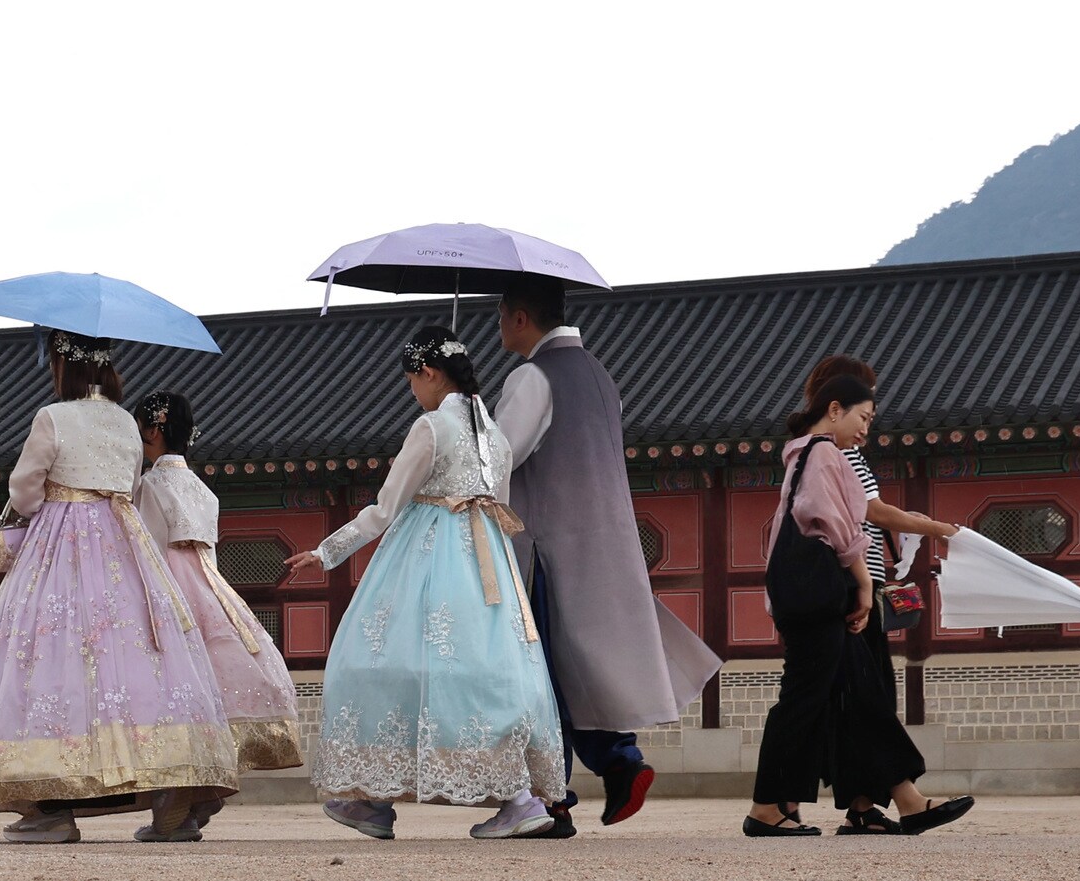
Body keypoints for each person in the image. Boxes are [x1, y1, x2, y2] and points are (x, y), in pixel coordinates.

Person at [281, 326, 565, 840]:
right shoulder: (494, 435)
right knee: (484, 667)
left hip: (428, 553)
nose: (412, 389)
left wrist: (325, 552)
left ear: (429, 373)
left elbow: (385, 509)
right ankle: (512, 797)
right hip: (489, 560)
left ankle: (373, 797)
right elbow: (499, 503)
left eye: (412, 379)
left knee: (376, 660)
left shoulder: (432, 427)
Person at [0, 330, 238, 843]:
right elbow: (130, 486)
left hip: (59, 542)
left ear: (63, 365)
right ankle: (167, 789)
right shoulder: (126, 424)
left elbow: (23, 491)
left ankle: (51, 806)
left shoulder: (53, 417)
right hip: (122, 542)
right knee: (134, 655)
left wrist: (48, 504)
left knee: (49, 654)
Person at [495, 275, 721, 837]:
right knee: (586, 665)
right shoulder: (599, 373)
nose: (498, 328)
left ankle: (551, 800)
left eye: (502, 317)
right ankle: (622, 763)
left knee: (539, 673)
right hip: (606, 541)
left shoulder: (531, 377)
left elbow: (496, 462)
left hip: (545, 547)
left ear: (521, 318)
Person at [746, 373, 974, 839]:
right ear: (835, 409)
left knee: (855, 694)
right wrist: (865, 584)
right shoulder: (826, 453)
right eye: (864, 417)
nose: (867, 429)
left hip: (808, 593)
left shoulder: (800, 454)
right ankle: (767, 807)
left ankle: (897, 801)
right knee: (807, 698)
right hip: (827, 592)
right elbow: (836, 523)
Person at [134, 390, 302, 840]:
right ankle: (198, 799)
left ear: (152, 430)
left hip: (169, 585)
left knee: (168, 689)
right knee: (208, 690)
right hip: (210, 586)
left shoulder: (150, 486)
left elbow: (147, 546)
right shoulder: (203, 490)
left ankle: (172, 809)